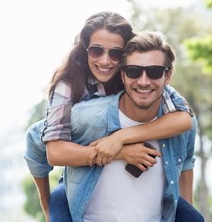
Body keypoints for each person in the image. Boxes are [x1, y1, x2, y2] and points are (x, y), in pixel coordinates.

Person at [24, 11, 194, 222]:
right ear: (85, 49)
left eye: (115, 53)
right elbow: (50, 148)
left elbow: (185, 120)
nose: (105, 61)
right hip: (78, 175)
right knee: (58, 204)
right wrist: (118, 152)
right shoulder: (69, 85)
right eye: (96, 51)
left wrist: (119, 138)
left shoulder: (144, 78)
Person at [60, 31, 203, 221]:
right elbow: (38, 145)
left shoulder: (183, 122)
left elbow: (186, 162)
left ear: (167, 76)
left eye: (154, 72)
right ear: (123, 75)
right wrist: (48, 206)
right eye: (134, 71)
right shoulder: (86, 115)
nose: (144, 81)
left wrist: (120, 138)